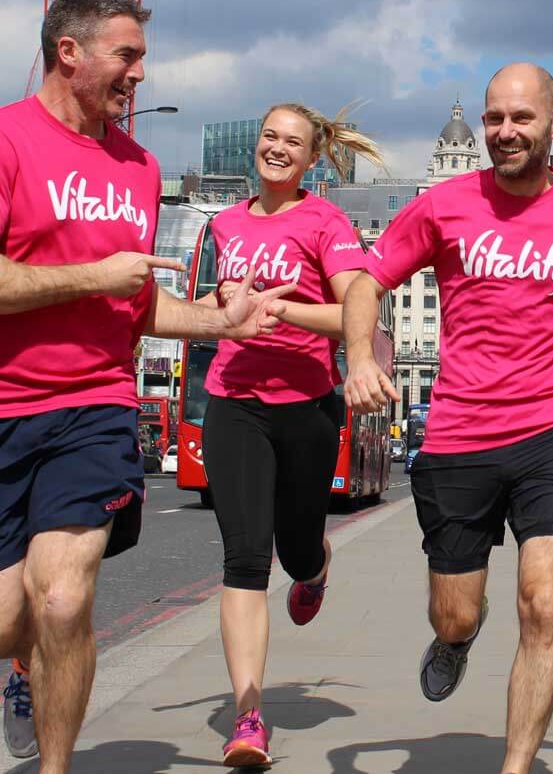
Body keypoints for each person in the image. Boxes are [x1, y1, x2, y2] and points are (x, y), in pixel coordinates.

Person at [340, 62, 553, 774]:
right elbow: (369, 280)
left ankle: (516, 765)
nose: (503, 132)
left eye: (520, 119)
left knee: (544, 599)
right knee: (456, 612)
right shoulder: (443, 205)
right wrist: (360, 360)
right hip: (462, 431)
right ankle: (455, 640)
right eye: (494, 119)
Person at [0, 0, 291, 773]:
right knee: (8, 621)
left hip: (93, 403)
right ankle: (19, 665)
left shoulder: (138, 166)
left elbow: (137, 297)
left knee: (63, 599)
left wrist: (220, 319)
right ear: (71, 52)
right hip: (3, 407)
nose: (139, 75)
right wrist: (93, 272)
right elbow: (91, 277)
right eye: (126, 56)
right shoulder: (6, 140)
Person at [196, 103, 386, 767]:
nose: (276, 148)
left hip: (306, 407)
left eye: (292, 143)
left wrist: (283, 308)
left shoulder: (325, 221)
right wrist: (220, 313)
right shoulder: (223, 223)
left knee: (298, 547)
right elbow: (213, 311)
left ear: (311, 160)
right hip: (233, 402)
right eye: (269, 137)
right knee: (245, 558)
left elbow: (354, 313)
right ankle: (249, 718)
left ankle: (316, 567)